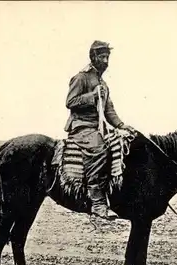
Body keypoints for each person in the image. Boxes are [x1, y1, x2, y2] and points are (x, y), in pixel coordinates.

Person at [64, 40, 134, 220]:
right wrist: (92, 95)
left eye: (107, 57)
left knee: (123, 142)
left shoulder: (103, 83)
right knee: (99, 149)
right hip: (81, 127)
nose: (106, 61)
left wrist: (121, 125)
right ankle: (97, 203)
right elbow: (70, 102)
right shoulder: (81, 78)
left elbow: (109, 109)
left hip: (97, 128)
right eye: (102, 56)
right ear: (93, 57)